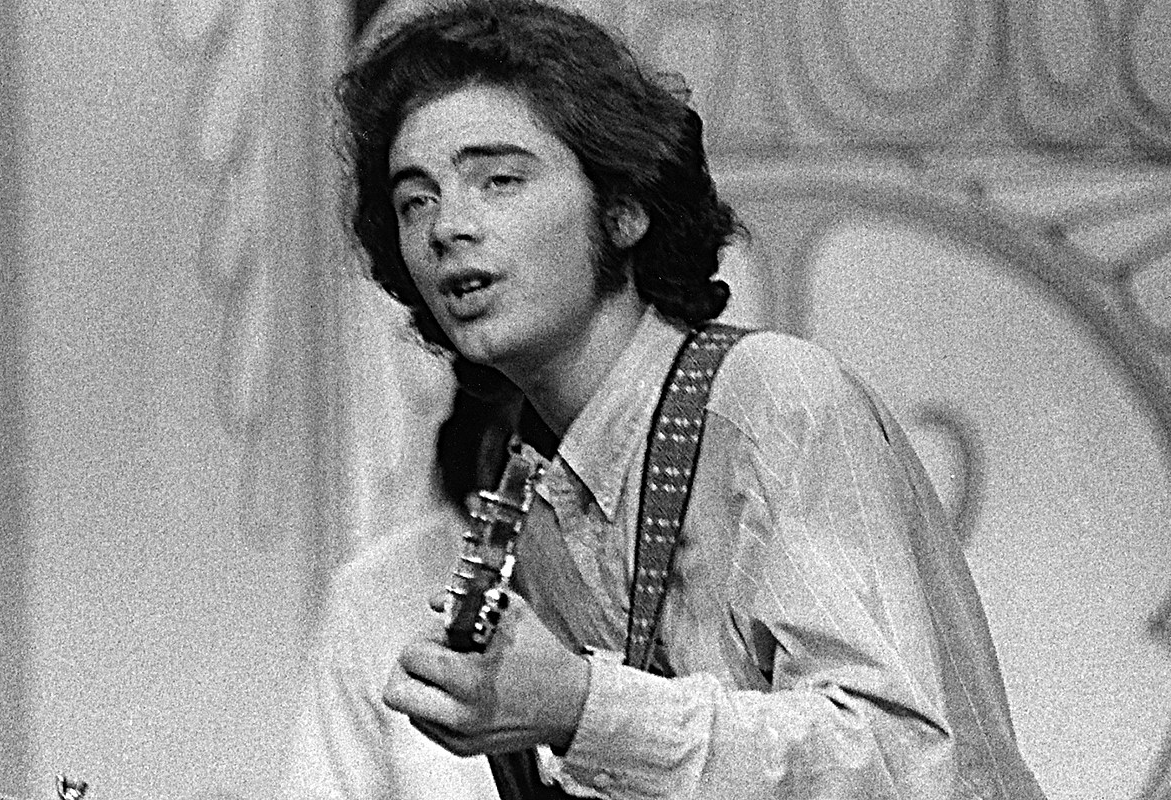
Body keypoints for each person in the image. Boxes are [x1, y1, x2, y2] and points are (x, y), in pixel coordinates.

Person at [295, 0, 1048, 797]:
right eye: (415, 199)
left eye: (499, 180)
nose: (448, 226)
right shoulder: (542, 496)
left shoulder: (772, 403)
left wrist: (583, 707)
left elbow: (904, 761)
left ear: (623, 207)